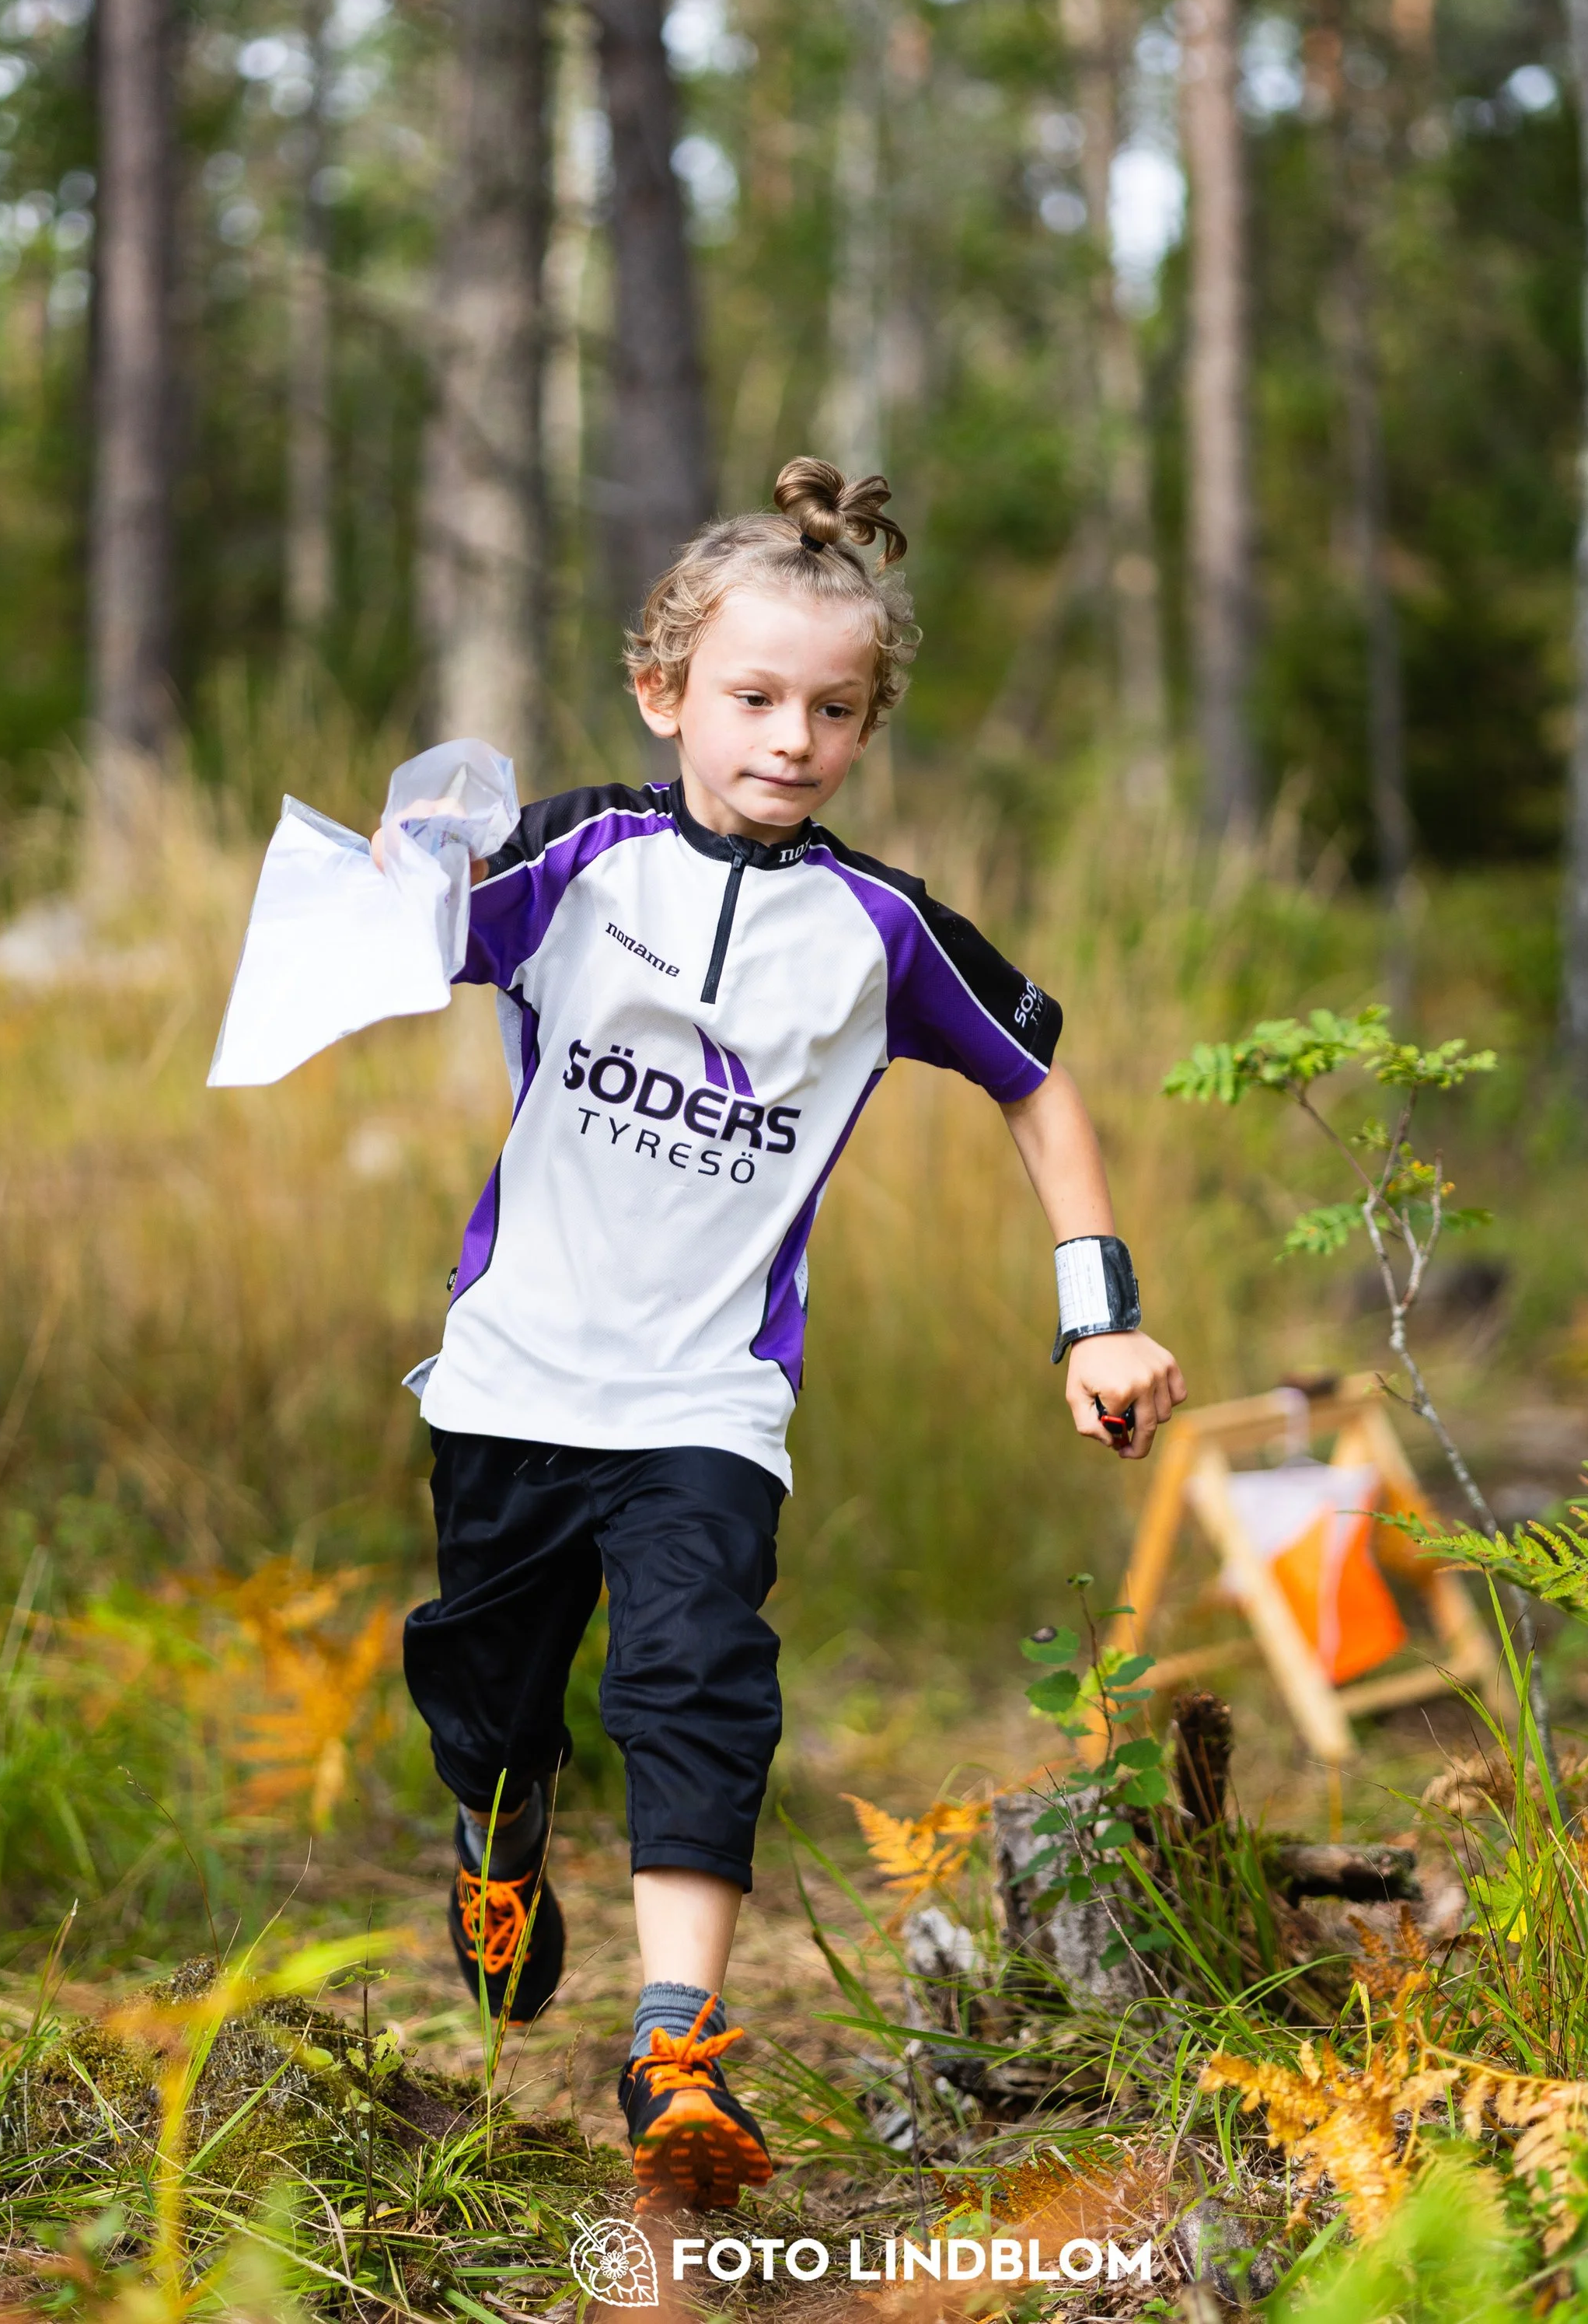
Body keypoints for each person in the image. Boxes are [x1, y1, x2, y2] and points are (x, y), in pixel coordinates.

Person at [392, 458, 1185, 2210]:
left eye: (833, 708)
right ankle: (498, 1835)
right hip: (514, 1376)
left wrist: (1097, 1319)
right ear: (663, 692)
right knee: (491, 1703)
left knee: (694, 1683)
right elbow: (397, 930)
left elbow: (1038, 1087)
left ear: (866, 725)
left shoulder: (884, 929)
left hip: (706, 1400)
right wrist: (414, 855)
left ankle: (675, 2044)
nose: (790, 737)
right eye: (750, 697)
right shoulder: (577, 862)